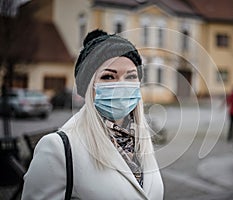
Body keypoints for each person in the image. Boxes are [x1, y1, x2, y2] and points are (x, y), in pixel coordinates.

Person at [21, 29, 164, 199]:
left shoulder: (140, 139)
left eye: (131, 76)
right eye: (108, 77)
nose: (121, 85)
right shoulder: (59, 148)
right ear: (89, 87)